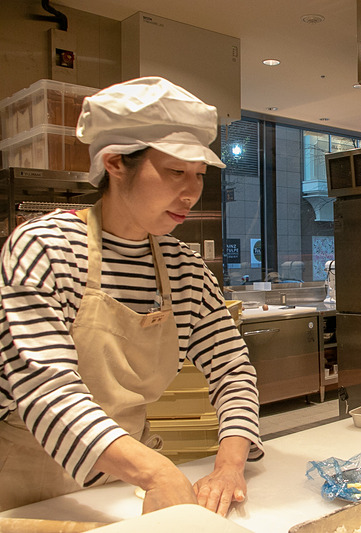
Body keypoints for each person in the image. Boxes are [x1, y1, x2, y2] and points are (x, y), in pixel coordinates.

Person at [0, 77, 264, 514]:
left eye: (199, 175)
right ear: (116, 163)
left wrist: (229, 465)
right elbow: (46, 390)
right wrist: (157, 472)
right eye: (175, 171)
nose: (192, 192)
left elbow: (232, 369)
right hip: (28, 479)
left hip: (123, 481)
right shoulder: (45, 248)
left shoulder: (184, 269)